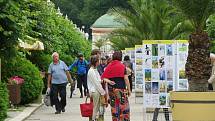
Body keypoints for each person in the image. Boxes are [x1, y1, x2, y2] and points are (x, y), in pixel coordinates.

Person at [101, 51, 131, 121]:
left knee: (114, 107)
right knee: (123, 107)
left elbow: (103, 77)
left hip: (112, 90)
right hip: (121, 90)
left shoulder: (109, 66)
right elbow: (126, 79)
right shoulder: (122, 66)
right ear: (120, 57)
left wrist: (109, 81)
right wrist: (129, 90)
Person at [87, 55, 106, 121]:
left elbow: (99, 80)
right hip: (94, 91)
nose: (99, 62)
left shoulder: (94, 70)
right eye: (98, 61)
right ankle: (93, 119)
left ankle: (94, 119)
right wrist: (102, 92)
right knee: (95, 108)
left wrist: (103, 80)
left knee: (97, 108)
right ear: (96, 62)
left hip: (95, 90)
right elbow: (96, 83)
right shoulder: (91, 71)